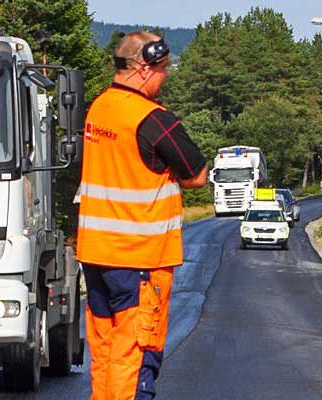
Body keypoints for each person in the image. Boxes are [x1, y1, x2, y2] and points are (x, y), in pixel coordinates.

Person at [76, 31, 208, 400]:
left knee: (105, 354)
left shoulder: (98, 109)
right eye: (164, 70)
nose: (165, 78)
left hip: (96, 254)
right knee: (135, 357)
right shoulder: (152, 119)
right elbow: (196, 175)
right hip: (139, 259)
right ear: (144, 68)